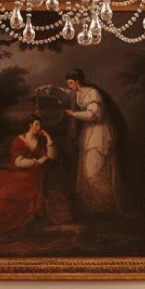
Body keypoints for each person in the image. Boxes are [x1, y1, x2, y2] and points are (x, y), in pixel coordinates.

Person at [0, 116, 55, 239]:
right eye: (37, 124)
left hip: (31, 177)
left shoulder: (41, 141)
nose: (39, 127)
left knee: (2, 196)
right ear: (30, 125)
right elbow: (18, 163)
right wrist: (38, 161)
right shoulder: (19, 141)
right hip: (15, 172)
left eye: (41, 125)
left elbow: (52, 156)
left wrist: (48, 137)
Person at [60, 68, 120, 216]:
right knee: (85, 172)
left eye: (71, 83)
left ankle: (106, 207)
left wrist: (73, 114)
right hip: (89, 134)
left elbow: (95, 114)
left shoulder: (93, 93)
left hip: (99, 133)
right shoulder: (78, 92)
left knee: (96, 171)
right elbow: (66, 92)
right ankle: (93, 208)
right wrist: (49, 88)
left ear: (78, 81)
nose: (69, 86)